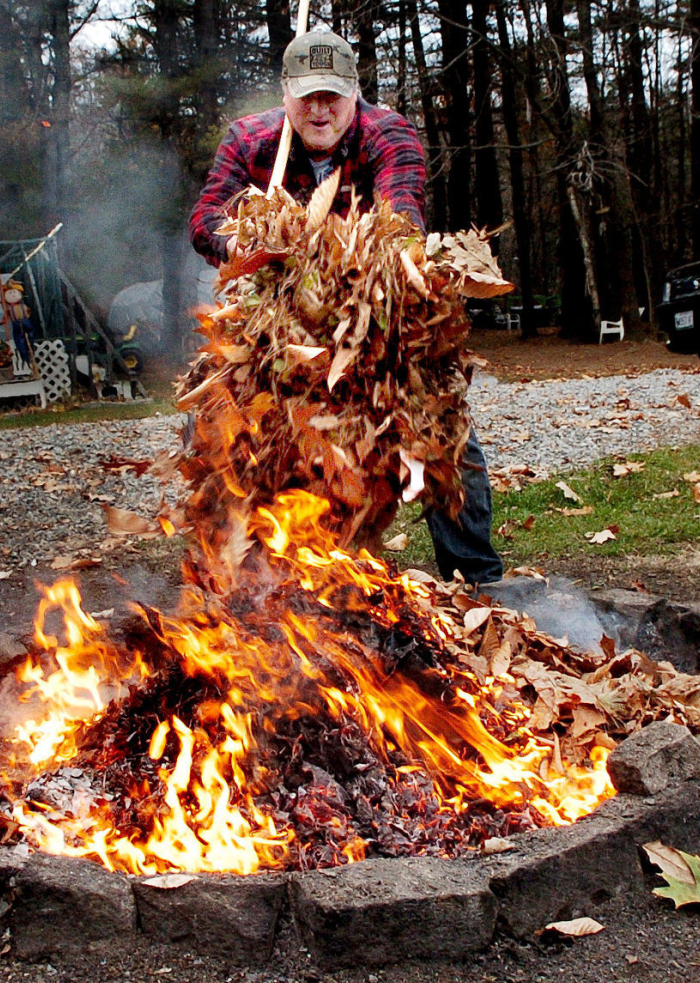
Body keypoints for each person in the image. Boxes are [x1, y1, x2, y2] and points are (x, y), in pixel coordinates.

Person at [188, 28, 503, 586]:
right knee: (228, 430)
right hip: (279, 329)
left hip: (374, 321)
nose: (319, 109)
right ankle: (246, 586)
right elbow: (207, 217)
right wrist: (247, 244)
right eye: (306, 95)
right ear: (285, 91)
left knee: (442, 429)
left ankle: (477, 579)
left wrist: (353, 265)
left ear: (354, 91)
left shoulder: (388, 135)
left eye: (331, 95)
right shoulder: (248, 139)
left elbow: (402, 218)